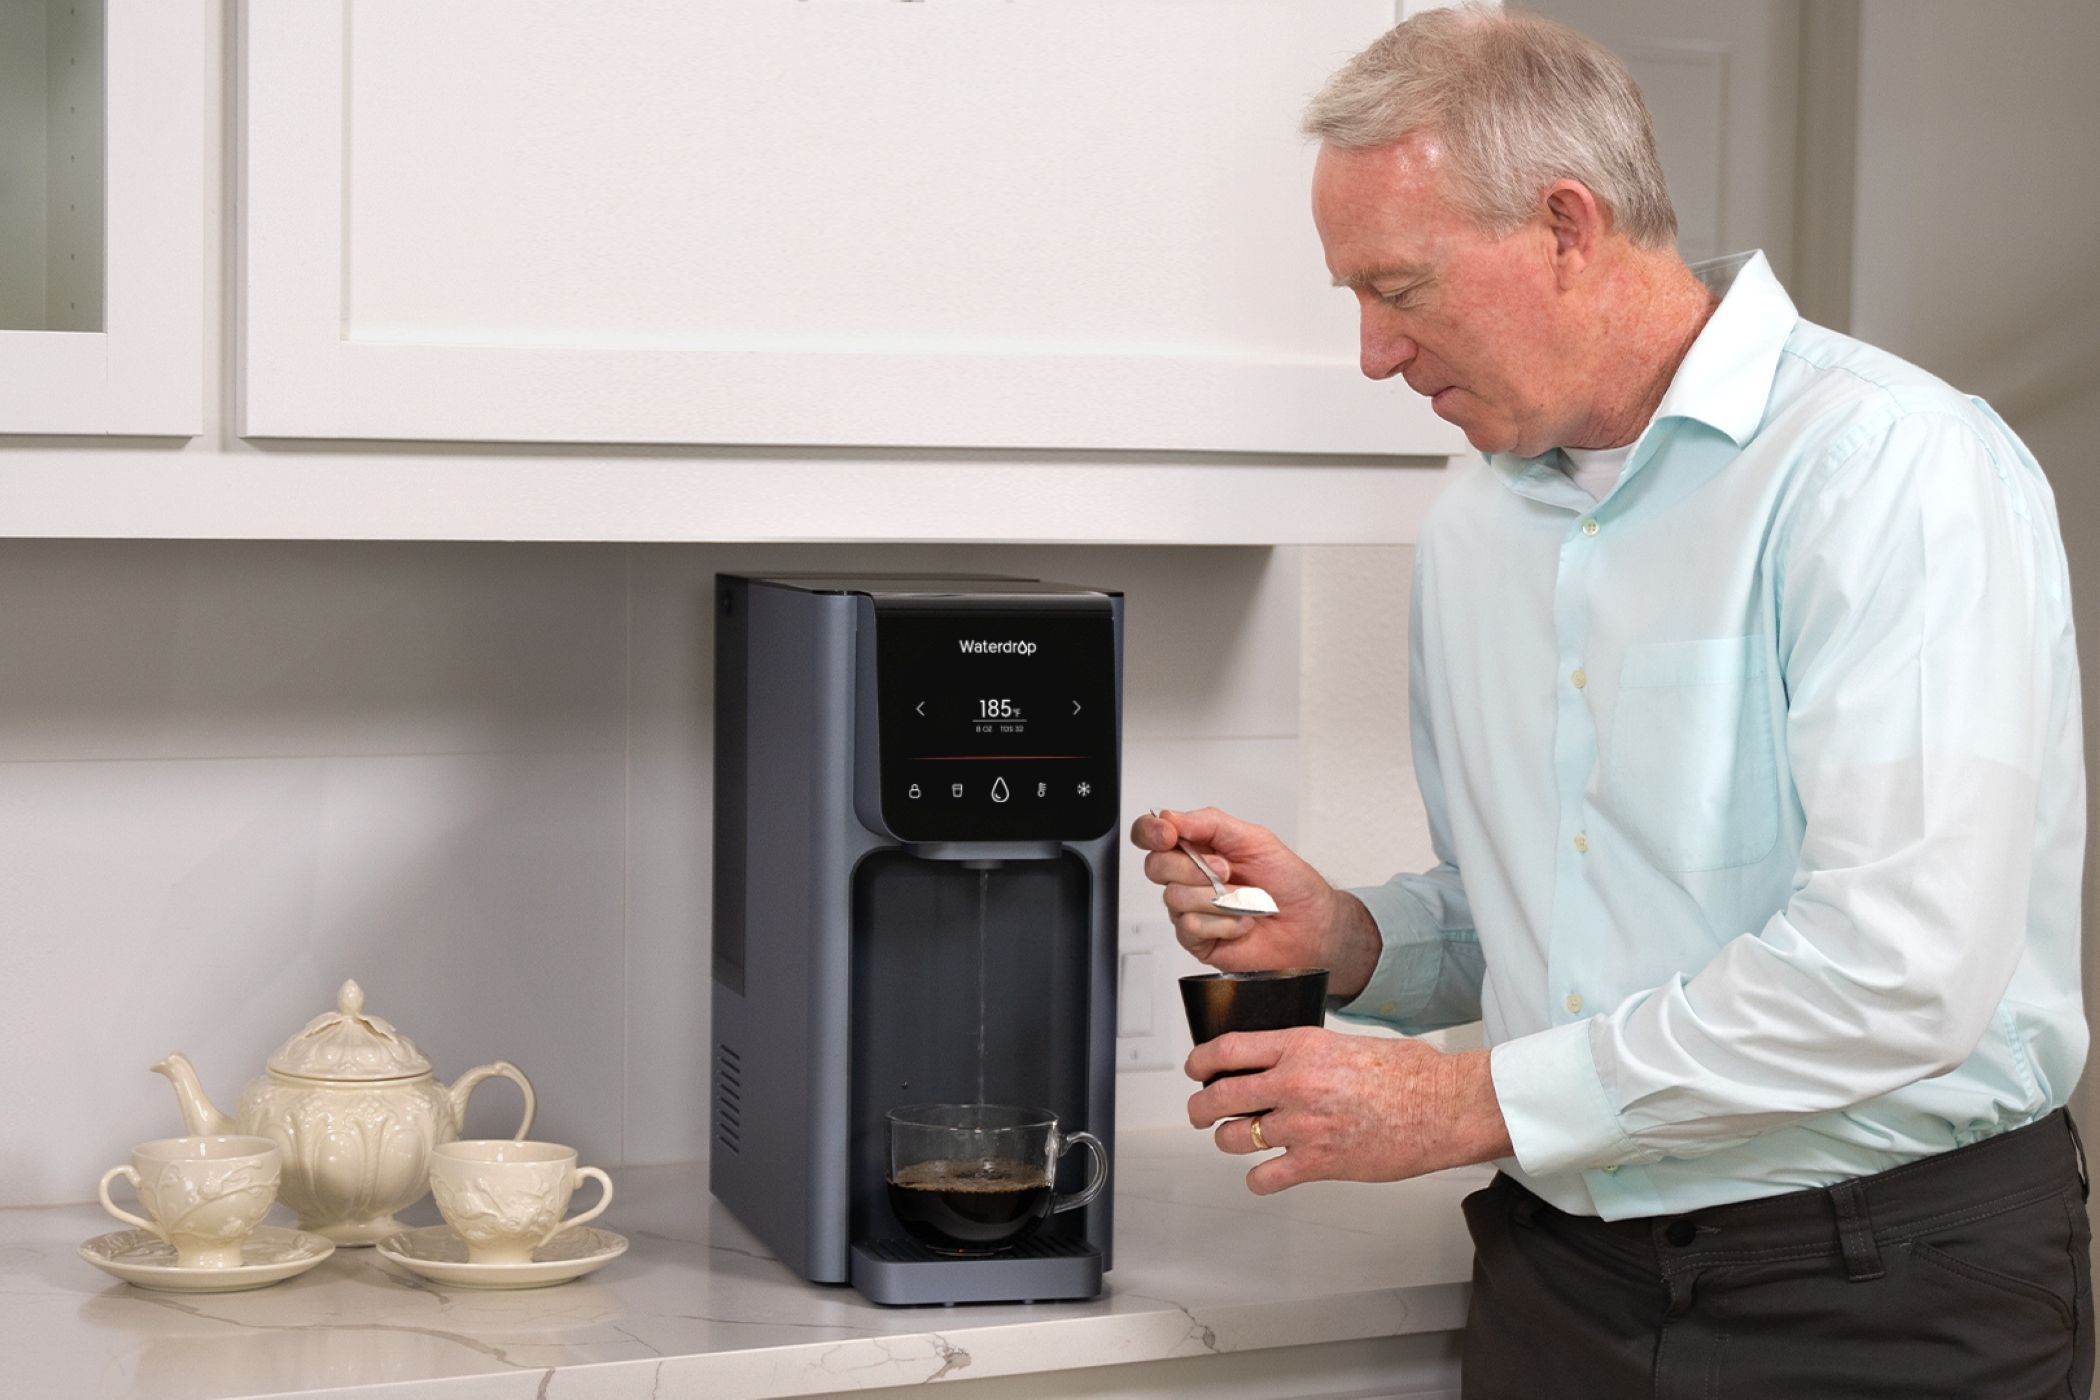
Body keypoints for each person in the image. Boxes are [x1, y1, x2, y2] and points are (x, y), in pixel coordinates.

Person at [1132, 6, 2090, 1396]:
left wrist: (1469, 1099)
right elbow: (1544, 916)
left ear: (1568, 226)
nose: (1373, 356)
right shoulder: (1477, 526)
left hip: (1880, 1291)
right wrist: (1351, 940)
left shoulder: (1889, 470)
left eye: (1398, 287)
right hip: (1561, 1280)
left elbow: (1899, 971)